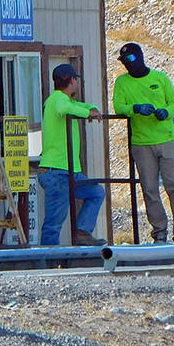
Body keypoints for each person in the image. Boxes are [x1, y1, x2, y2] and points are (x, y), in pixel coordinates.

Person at [112, 42, 174, 244]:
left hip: (166, 139)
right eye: (124, 61)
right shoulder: (122, 82)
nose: (127, 64)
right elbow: (119, 106)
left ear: (140, 57)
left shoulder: (160, 78)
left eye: (130, 59)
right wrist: (135, 109)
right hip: (141, 142)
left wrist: (166, 112)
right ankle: (159, 231)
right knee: (150, 189)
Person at [38, 63, 106, 246]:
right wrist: (87, 114)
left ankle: (83, 232)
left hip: (68, 171)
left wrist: (90, 110)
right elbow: (64, 109)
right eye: (76, 79)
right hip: (56, 171)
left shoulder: (64, 100)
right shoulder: (57, 99)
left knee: (96, 192)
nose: (77, 83)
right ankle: (48, 260)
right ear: (71, 80)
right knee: (54, 221)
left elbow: (82, 105)